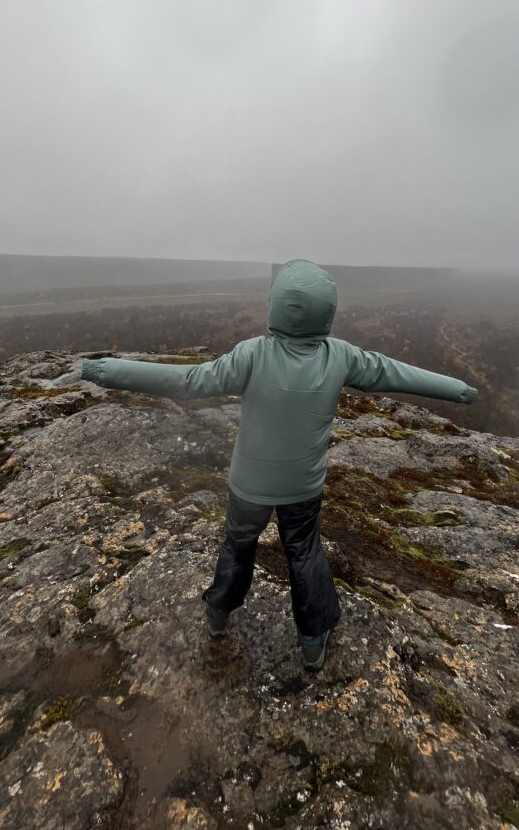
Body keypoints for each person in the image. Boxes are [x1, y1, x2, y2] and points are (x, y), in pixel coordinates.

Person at [80, 259, 478, 671]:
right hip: (301, 488)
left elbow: (187, 381)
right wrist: (459, 390)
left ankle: (218, 614)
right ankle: (312, 640)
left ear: (277, 306)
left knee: (238, 546)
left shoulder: (252, 353)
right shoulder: (340, 356)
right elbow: (397, 374)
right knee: (303, 551)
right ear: (327, 311)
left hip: (248, 484)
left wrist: (106, 370)